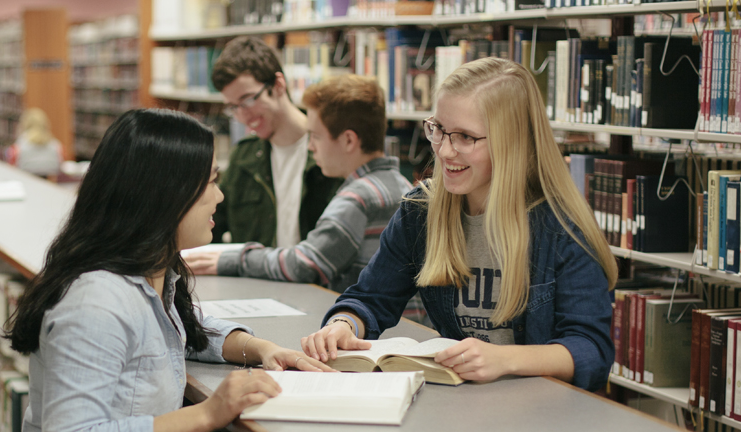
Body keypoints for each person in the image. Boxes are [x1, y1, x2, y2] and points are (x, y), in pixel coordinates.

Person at [3, 109, 333, 432]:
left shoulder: (148, 271)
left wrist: (262, 349)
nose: (219, 196)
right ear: (165, 193)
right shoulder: (96, 304)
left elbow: (180, 331)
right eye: (212, 181)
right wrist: (207, 414)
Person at [300, 57, 618, 392]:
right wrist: (343, 324)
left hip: (542, 407)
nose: (444, 151)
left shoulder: (561, 228)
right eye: (438, 129)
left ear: (511, 142)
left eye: (465, 137)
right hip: (461, 401)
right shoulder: (421, 212)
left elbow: (593, 352)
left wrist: (504, 359)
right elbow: (371, 297)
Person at [186, 75, 412, 293]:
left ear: (349, 140)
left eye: (315, 136)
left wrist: (235, 259)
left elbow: (306, 263)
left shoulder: (358, 197)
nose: (311, 146)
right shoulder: (402, 186)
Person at [210, 36, 342, 248]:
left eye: (249, 99)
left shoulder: (329, 150)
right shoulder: (243, 157)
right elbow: (212, 227)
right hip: (255, 281)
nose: (243, 115)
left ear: (278, 85)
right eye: (233, 107)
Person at [6, 108, 63, 180]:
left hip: (25, 184)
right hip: (49, 185)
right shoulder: (56, 145)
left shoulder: (18, 146)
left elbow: (11, 168)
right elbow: (60, 168)